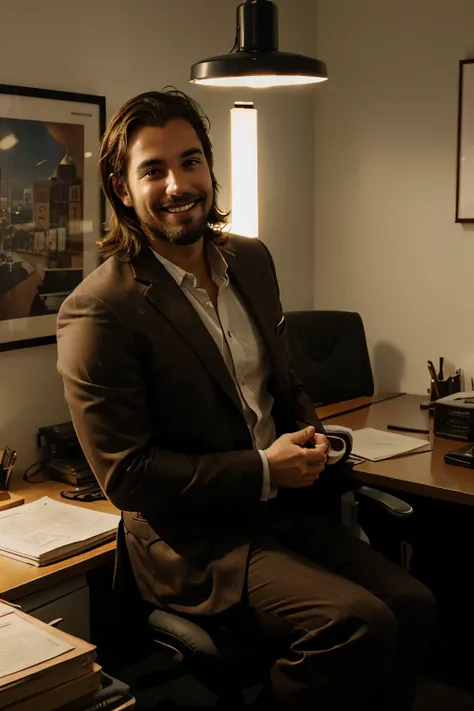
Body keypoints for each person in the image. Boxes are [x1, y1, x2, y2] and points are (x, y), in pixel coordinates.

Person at [56, 89, 435, 710]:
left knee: (413, 605)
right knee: (355, 623)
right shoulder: (100, 310)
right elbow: (128, 476)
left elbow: (285, 384)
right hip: (196, 543)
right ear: (123, 190)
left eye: (191, 161)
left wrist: (313, 438)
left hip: (283, 512)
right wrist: (263, 468)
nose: (178, 184)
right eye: (153, 170)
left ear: (210, 167)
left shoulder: (251, 260)